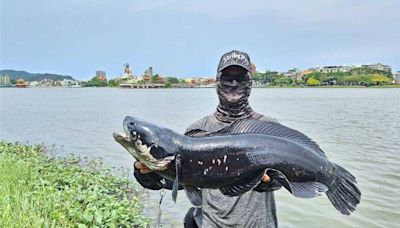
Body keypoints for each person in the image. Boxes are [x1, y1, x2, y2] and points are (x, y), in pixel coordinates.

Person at [134, 50, 281, 227]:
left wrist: (271, 180)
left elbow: (283, 179)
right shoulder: (198, 131)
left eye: (240, 77)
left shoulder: (268, 128)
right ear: (217, 81)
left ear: (250, 82)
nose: (233, 83)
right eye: (227, 77)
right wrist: (149, 175)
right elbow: (184, 180)